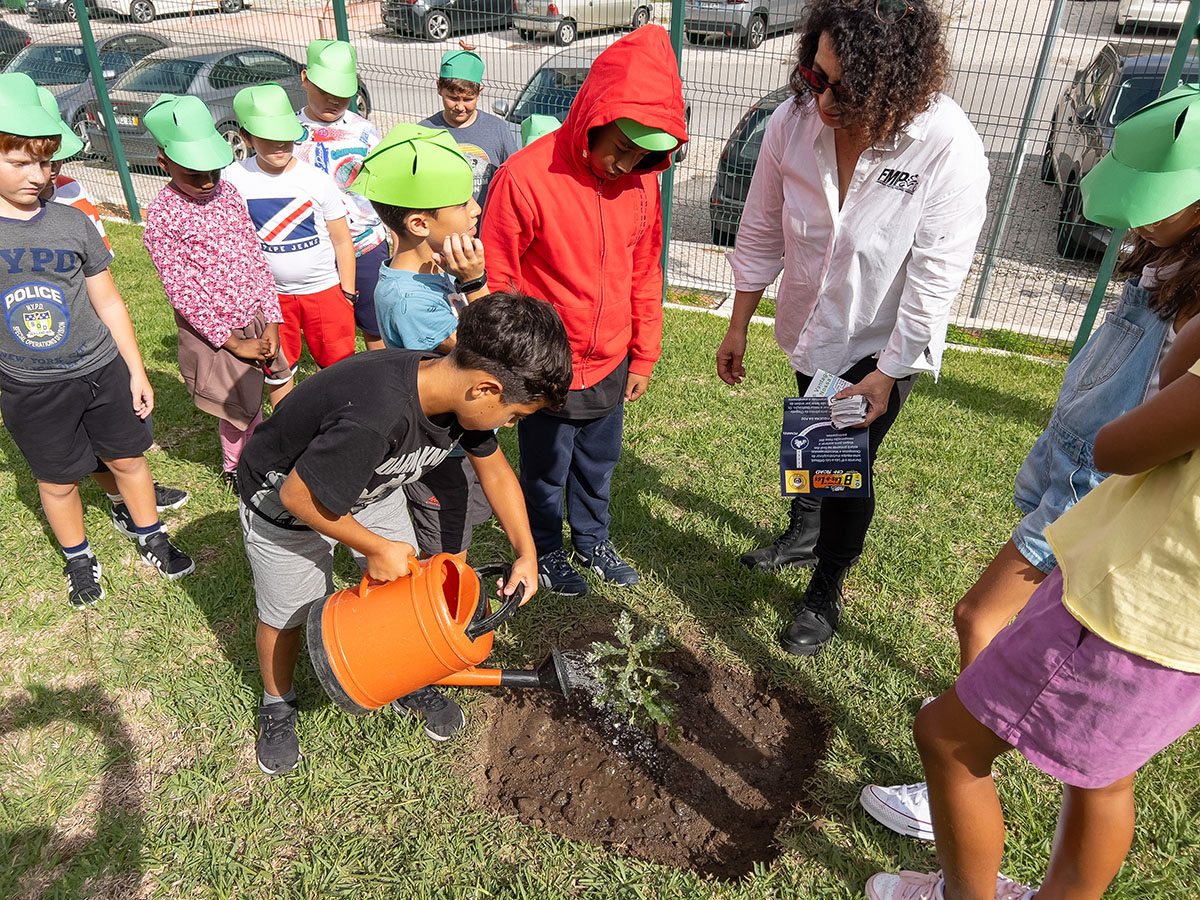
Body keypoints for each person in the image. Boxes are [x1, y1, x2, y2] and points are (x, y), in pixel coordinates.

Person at [860, 84, 1200, 843]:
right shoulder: (1167, 261)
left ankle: (965, 757)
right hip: (1075, 462)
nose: (1138, 219)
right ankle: (978, 732)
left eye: (1159, 201)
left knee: (979, 614)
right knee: (1098, 763)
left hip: (1102, 487)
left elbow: (1149, 427)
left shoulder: (1194, 305)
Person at [866, 317, 1200, 900]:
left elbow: (1119, 445)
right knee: (1104, 779)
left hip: (1125, 606)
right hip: (1184, 632)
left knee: (947, 738)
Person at [716, 0, 989, 656]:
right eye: (815, 76)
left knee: (843, 464)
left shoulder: (945, 146)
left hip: (882, 343)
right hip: (816, 326)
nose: (824, 100)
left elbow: (935, 277)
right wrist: (738, 324)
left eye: (846, 88)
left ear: (895, 83)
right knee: (814, 440)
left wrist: (888, 374)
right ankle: (803, 532)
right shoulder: (793, 122)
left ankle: (826, 585)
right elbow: (759, 227)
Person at [238, 294, 572, 775]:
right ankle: (277, 704)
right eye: (515, 415)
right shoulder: (378, 413)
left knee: (405, 592)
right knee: (287, 613)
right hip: (287, 509)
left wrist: (526, 552)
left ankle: (405, 676)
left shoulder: (457, 398)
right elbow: (299, 496)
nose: (510, 425)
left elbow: (496, 473)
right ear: (484, 389)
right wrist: (373, 548)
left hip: (367, 491)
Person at [481, 25, 688, 597]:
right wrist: (513, 365)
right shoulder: (524, 178)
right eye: (618, 147)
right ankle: (544, 548)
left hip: (612, 359)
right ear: (592, 117)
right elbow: (499, 281)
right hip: (549, 364)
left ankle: (593, 539)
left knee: (598, 461)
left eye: (643, 154)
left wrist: (643, 355)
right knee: (546, 471)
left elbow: (646, 270)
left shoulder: (643, 185)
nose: (625, 164)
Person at [0, 73, 193, 611]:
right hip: (32, 386)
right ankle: (78, 555)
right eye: (20, 162)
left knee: (129, 458)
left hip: (101, 369)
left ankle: (149, 532)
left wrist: (134, 368)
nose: (38, 176)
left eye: (45, 163)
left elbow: (108, 301)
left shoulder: (72, 223)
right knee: (58, 481)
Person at [33, 87, 191, 526]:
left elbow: (100, 271)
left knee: (117, 431)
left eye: (56, 160)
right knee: (79, 437)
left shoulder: (72, 194)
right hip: (45, 359)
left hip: (94, 340)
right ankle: (120, 497)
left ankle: (131, 489)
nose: (50, 172)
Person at [352, 124, 493, 558]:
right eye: (463, 203)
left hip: (456, 439)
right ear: (418, 223)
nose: (475, 209)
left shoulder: (431, 270)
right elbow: (491, 351)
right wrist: (476, 283)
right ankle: (445, 613)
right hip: (434, 453)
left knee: (467, 512)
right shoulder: (407, 299)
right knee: (448, 539)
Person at [142, 94, 291, 490]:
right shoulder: (162, 215)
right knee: (236, 405)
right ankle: (235, 469)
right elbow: (182, 291)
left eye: (214, 171)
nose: (208, 181)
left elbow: (255, 257)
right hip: (216, 331)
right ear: (164, 163)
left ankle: (264, 455)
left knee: (265, 388)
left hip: (255, 317)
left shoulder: (228, 195)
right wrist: (231, 342)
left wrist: (272, 318)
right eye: (194, 174)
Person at [222, 83, 357, 389]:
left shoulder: (316, 180)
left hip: (325, 290)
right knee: (278, 367)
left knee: (339, 370)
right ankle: (288, 428)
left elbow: (341, 238)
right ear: (246, 138)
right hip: (270, 299)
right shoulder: (233, 178)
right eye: (269, 140)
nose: (280, 146)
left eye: (287, 138)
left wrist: (346, 293)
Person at [293, 39, 390, 352]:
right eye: (325, 92)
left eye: (343, 95)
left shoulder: (365, 132)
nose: (334, 101)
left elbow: (382, 186)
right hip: (316, 251)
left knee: (375, 326)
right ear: (305, 79)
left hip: (365, 246)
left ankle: (381, 382)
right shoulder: (289, 134)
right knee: (331, 332)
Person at [419, 47, 519, 217]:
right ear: (438, 88)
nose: (460, 107)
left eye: (468, 99)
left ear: (479, 92)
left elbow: (515, 178)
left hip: (488, 229)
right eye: (452, 98)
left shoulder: (497, 129)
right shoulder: (425, 132)